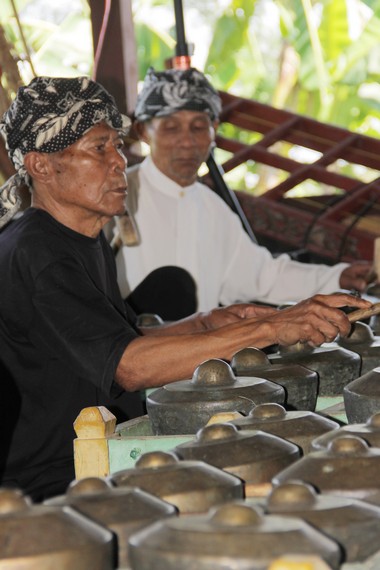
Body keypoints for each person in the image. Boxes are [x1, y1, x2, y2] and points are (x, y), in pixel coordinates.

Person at [0, 76, 370, 502]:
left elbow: (114, 342)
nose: (119, 161)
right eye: (98, 148)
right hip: (45, 484)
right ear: (41, 165)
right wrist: (271, 329)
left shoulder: (81, 238)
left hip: (92, 457)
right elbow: (128, 366)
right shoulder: (38, 253)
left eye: (117, 146)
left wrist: (207, 323)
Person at [114, 67, 375, 320]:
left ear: (214, 129)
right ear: (143, 131)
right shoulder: (115, 196)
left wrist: (337, 278)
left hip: (203, 360)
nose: (187, 141)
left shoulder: (213, 209)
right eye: (171, 128)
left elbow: (263, 277)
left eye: (198, 127)